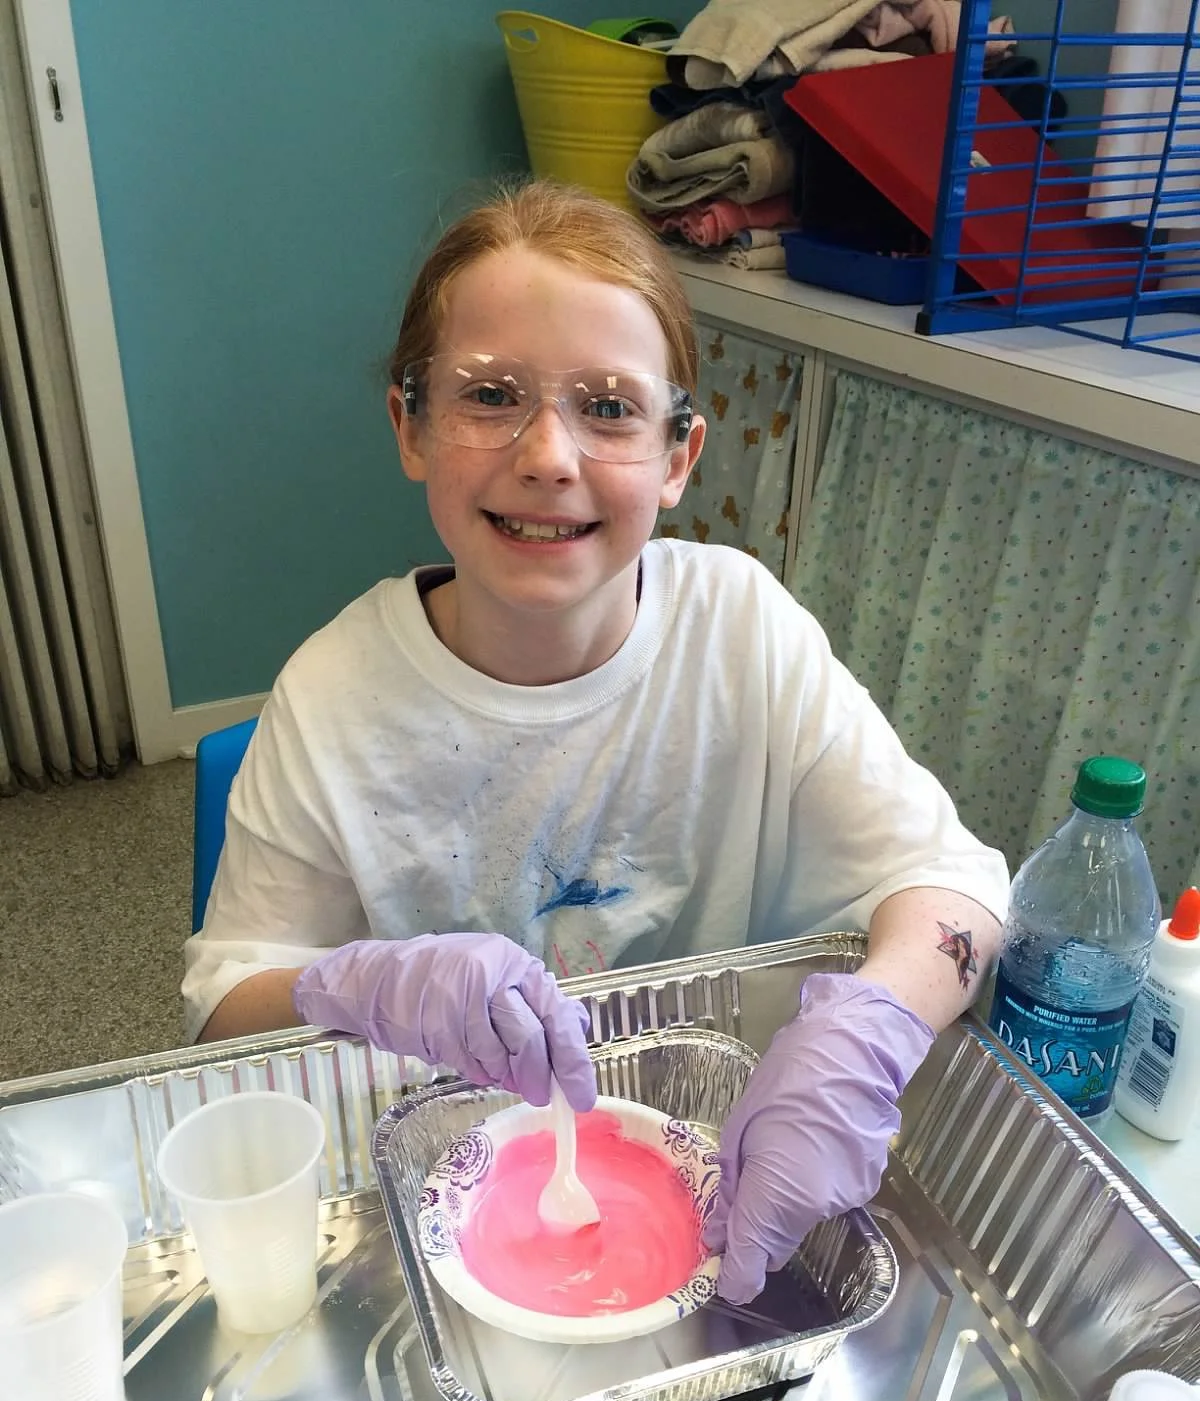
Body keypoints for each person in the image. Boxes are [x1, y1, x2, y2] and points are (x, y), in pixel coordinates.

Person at [183, 178, 1009, 1305]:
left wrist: (872, 1024)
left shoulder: (741, 633)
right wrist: (355, 984)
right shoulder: (333, 697)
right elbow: (223, 1004)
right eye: (490, 395)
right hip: (445, 1213)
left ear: (679, 455)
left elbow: (955, 884)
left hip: (707, 1185)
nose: (549, 455)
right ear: (409, 426)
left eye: (610, 407)